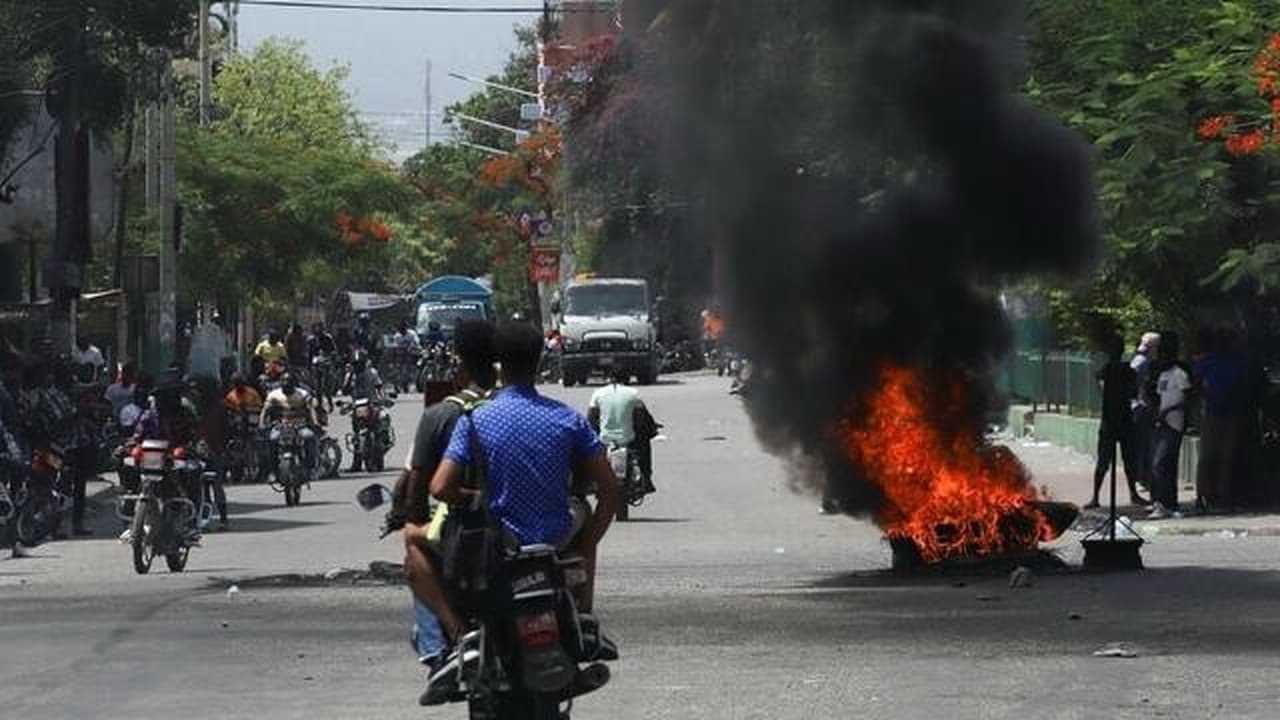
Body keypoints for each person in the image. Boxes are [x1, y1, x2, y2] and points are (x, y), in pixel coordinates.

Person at [423, 322, 620, 704]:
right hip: (556, 537)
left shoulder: (475, 420)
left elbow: (439, 487)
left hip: (499, 542)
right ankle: (583, 615)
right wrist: (588, 538)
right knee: (586, 517)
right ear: (540, 362)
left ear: (499, 366)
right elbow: (610, 489)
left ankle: (458, 635)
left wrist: (476, 496)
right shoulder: (568, 419)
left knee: (420, 540)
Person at [398, 321, 497, 670]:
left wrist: (410, 516)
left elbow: (418, 486)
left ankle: (441, 643)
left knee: (413, 544)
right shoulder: (507, 407)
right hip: (514, 524)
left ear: (461, 367)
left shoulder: (441, 415)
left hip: (458, 525)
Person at [131, 372, 204, 541]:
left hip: (176, 458)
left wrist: (191, 447)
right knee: (128, 467)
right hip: (153, 459)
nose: (164, 400)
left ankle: (191, 524)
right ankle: (131, 519)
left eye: (168, 396)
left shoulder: (184, 414)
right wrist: (129, 446)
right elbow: (138, 435)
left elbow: (194, 436)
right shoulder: (149, 415)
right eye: (161, 396)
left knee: (193, 472)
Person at [1086, 335, 1147, 509]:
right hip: (1125, 419)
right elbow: (1134, 392)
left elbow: (1100, 387)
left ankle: (1096, 497)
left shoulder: (1106, 370)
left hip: (1110, 420)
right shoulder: (1128, 370)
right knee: (1128, 460)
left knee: (1104, 461)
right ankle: (1133, 494)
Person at [1194, 327, 1249, 513]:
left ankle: (1221, 494)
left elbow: (1242, 385)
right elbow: (1196, 383)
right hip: (1211, 411)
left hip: (1230, 411)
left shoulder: (1238, 362)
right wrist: (1206, 395)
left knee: (1226, 454)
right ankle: (1203, 494)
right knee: (1208, 455)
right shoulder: (1207, 361)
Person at [588, 367, 658, 495]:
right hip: (628, 439)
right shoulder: (633, 393)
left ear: (608, 379)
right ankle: (646, 478)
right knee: (644, 442)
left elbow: (591, 419)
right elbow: (642, 419)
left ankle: (589, 481)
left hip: (604, 440)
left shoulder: (598, 393)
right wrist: (650, 429)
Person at [1147, 332, 1192, 519]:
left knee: (1162, 462)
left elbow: (1187, 397)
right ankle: (1165, 502)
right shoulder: (1163, 375)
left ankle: (1165, 503)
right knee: (1161, 464)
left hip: (1174, 423)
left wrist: (1169, 410)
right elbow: (1160, 397)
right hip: (1162, 423)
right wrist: (1157, 411)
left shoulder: (1179, 374)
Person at [259, 373, 320, 478]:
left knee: (309, 437)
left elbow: (311, 409)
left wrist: (315, 422)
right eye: (284, 381)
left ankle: (310, 465)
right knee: (272, 439)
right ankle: (273, 468)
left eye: (288, 382)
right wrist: (262, 423)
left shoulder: (303, 394)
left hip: (300, 425)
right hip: (281, 426)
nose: (286, 384)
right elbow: (265, 410)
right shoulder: (274, 395)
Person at [343, 353, 386, 472]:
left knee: (378, 427)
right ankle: (356, 463)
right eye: (355, 365)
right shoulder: (350, 375)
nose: (358, 367)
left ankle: (379, 456)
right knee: (356, 433)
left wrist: (382, 398)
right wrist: (350, 376)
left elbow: (379, 386)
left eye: (360, 364)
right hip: (357, 405)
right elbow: (344, 390)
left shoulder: (372, 373)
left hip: (372, 403)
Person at [1129, 332, 1160, 495]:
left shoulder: (1140, 361)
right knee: (1144, 444)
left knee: (1144, 444)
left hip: (1139, 407)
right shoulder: (1142, 363)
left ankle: (1143, 477)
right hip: (1141, 408)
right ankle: (1142, 478)